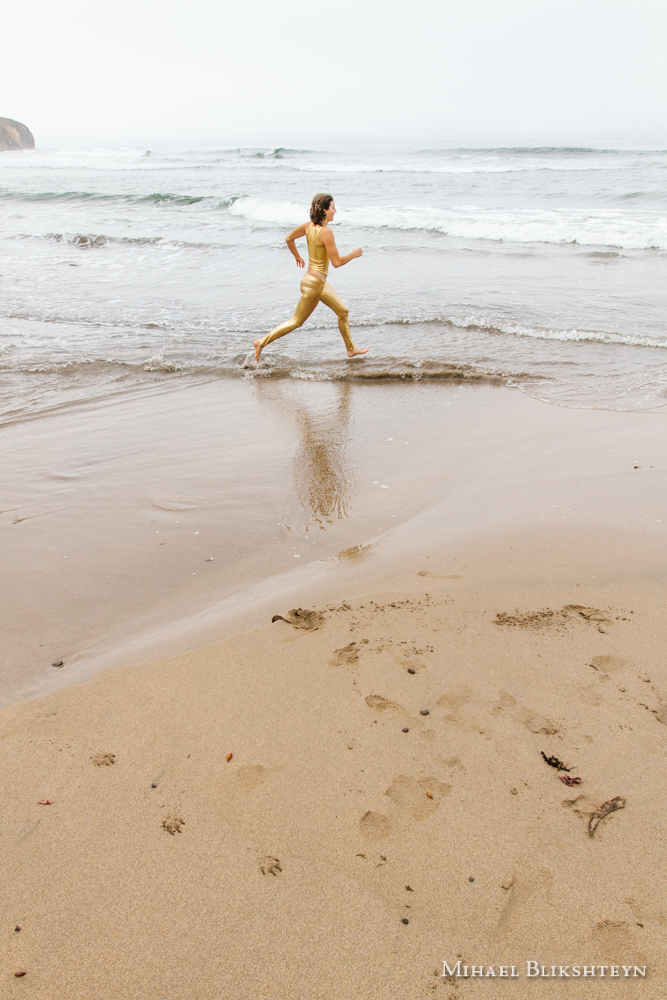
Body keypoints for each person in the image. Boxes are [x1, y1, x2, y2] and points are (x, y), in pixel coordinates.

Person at [253, 193, 368, 362]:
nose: (335, 211)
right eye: (333, 207)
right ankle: (261, 342)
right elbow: (336, 262)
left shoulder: (308, 227)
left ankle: (350, 349)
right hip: (314, 285)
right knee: (296, 321)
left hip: (317, 282)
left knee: (343, 311)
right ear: (323, 210)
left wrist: (297, 256)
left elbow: (288, 238)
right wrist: (352, 255)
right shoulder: (326, 232)